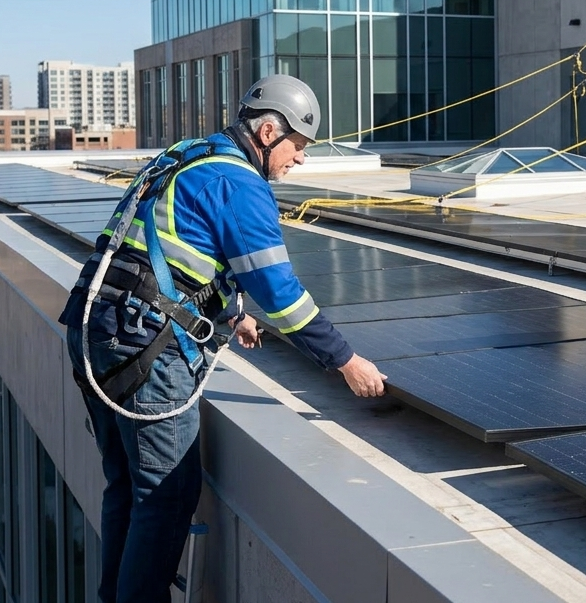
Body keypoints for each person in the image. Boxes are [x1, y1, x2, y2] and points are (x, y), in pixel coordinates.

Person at [59, 74, 387, 603]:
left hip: (96, 329)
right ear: (265, 132)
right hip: (144, 348)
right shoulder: (239, 183)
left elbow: (174, 246)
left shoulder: (191, 155)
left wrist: (231, 312)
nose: (299, 160)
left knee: (126, 487)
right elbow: (281, 295)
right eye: (298, 147)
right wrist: (346, 361)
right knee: (166, 497)